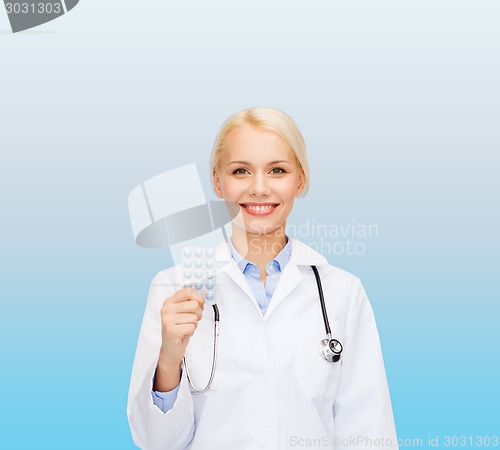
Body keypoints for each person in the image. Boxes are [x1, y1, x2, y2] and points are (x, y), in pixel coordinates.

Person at [127, 107, 398, 450]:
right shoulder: (172, 288)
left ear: (300, 180)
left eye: (277, 170)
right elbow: (157, 442)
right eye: (240, 171)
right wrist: (169, 358)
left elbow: (370, 434)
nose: (259, 188)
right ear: (217, 182)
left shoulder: (341, 292)